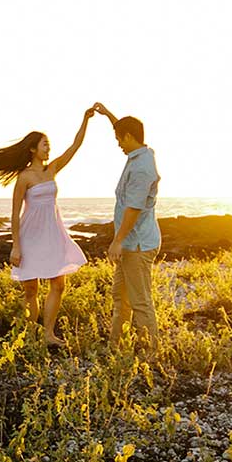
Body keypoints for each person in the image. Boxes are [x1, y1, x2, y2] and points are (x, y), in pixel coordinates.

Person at [0, 109, 93, 347]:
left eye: (48, 145)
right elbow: (15, 213)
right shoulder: (24, 177)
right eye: (44, 144)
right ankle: (31, 337)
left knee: (58, 285)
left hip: (52, 235)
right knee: (31, 290)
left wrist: (85, 119)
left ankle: (48, 334)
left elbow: (76, 145)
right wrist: (16, 248)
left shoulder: (52, 169)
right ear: (32, 148)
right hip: (30, 237)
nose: (48, 148)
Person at [93, 103, 160, 355]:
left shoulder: (142, 167)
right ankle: (115, 347)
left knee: (140, 301)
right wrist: (109, 115)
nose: (118, 143)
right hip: (130, 243)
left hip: (137, 244)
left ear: (130, 138)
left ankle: (149, 354)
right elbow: (125, 130)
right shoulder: (140, 154)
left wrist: (117, 241)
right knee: (121, 297)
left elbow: (133, 208)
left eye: (119, 139)